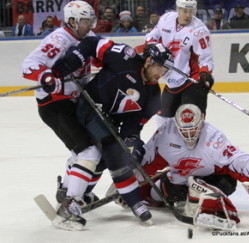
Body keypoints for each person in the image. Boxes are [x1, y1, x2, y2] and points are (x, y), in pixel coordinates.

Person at [48, 41, 174, 229]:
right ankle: (133, 202)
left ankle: (76, 189)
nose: (161, 73)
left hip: (110, 122)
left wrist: (132, 142)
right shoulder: (125, 56)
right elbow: (92, 45)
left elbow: (133, 126)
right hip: (89, 108)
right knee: (109, 148)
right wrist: (74, 58)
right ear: (148, 61)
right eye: (158, 67)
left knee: (105, 157)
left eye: (164, 69)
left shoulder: (154, 96)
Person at [138, 104, 249, 230]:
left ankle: (207, 203)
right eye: (184, 129)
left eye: (194, 128)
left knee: (224, 181)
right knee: (151, 194)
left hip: (214, 180)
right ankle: (197, 200)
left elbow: (239, 159)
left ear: (202, 120)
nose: (189, 134)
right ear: (176, 124)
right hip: (179, 184)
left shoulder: (213, 137)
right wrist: (129, 181)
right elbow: (146, 162)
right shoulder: (166, 133)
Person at [22, 0, 101, 231]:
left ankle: (67, 189)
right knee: (88, 150)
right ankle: (70, 205)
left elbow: (100, 57)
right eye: (86, 21)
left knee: (85, 148)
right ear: (73, 21)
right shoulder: (58, 40)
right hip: (54, 104)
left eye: (90, 20)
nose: (90, 24)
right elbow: (29, 65)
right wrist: (46, 77)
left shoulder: (88, 36)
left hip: (73, 101)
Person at [145, 0, 214, 125]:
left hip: (191, 81)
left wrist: (205, 73)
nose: (188, 15)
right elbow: (151, 36)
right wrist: (151, 46)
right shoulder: (166, 19)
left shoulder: (200, 30)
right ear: (178, 9)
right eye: (184, 11)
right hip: (170, 80)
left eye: (191, 11)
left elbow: (205, 58)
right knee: (162, 120)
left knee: (190, 121)